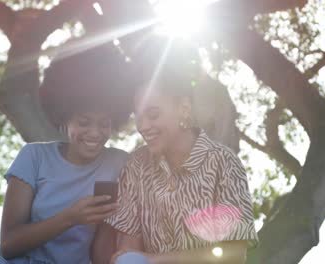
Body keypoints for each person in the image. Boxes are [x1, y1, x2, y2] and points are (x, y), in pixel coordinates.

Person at [0, 43, 133, 264]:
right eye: (84, 122)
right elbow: (9, 244)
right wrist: (70, 217)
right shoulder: (33, 157)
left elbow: (104, 242)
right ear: (64, 118)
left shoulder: (118, 163)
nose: (95, 133)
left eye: (104, 124)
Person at [99, 37, 258, 264]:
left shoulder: (223, 163)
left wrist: (154, 260)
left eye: (153, 115)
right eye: (138, 116)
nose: (143, 126)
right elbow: (128, 248)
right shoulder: (136, 166)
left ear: (183, 108)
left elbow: (233, 254)